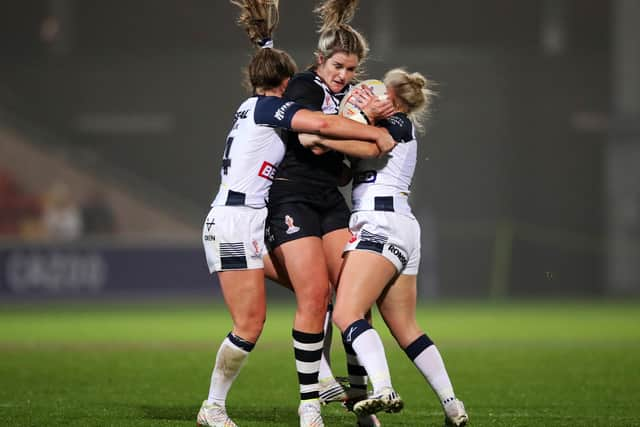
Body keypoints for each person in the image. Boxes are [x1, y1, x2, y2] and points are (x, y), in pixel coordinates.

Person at [196, 2, 396, 427]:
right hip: (237, 220)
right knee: (252, 323)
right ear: (288, 83)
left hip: (252, 217)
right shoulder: (266, 107)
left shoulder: (264, 105)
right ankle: (215, 406)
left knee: (329, 296)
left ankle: (337, 386)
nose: (344, 75)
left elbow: (325, 145)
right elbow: (316, 132)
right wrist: (374, 130)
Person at [311, 69, 470, 426]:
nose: (368, 94)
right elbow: (351, 161)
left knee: (346, 314)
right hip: (402, 227)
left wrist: (325, 130)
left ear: (393, 100)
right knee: (405, 327)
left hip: (379, 224)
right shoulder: (383, 126)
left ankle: (383, 388)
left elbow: (373, 139)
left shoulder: (397, 125)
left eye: (378, 92)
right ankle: (451, 404)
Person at [264, 1, 395, 426]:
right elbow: (310, 142)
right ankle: (309, 406)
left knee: (354, 300)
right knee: (315, 296)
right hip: (293, 196)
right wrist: (362, 130)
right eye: (338, 66)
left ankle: (361, 403)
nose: (344, 75)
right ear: (321, 61)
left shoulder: (349, 97)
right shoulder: (304, 86)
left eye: (352, 69)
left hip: (329, 201)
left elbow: (344, 163)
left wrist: (360, 126)